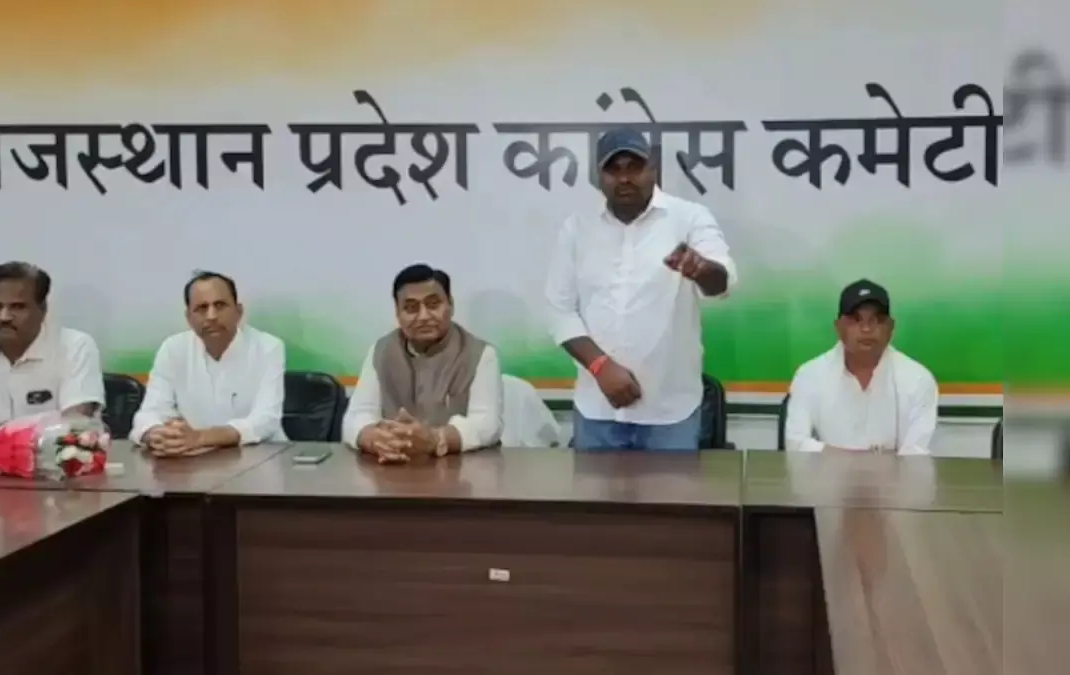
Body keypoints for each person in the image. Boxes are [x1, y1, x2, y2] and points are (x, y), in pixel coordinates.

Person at [544, 127, 737, 451]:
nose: (624, 178)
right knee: (593, 489)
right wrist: (600, 367)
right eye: (613, 169)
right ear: (599, 176)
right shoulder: (578, 228)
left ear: (653, 168)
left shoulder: (688, 218)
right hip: (597, 410)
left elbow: (723, 283)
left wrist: (701, 269)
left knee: (670, 489)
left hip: (670, 413)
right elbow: (559, 310)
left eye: (634, 167)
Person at [342, 264, 503, 463]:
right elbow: (357, 415)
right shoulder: (381, 350)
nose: (424, 316)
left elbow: (486, 424)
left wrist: (436, 439)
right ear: (397, 312)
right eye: (411, 308)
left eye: (433, 305)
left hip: (462, 469)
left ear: (450, 305)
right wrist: (373, 438)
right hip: (392, 467)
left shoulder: (481, 354)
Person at [130, 271, 285, 456]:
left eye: (220, 305)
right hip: (193, 461)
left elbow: (265, 421)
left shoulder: (267, 347)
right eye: (202, 308)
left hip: (260, 457)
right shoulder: (173, 349)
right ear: (189, 317)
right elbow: (149, 414)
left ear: (239, 311)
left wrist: (201, 437)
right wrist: (157, 434)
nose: (211, 316)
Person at [0, 262, 104, 429]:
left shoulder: (75, 347)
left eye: (17, 307)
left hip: (44, 447)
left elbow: (76, 424)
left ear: (43, 309)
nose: (4, 317)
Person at [785, 279, 938, 455]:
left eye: (877, 320)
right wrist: (853, 461)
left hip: (895, 475)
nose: (866, 329)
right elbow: (795, 443)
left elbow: (916, 455)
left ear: (891, 327)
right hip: (830, 473)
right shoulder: (809, 375)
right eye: (856, 319)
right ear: (838, 327)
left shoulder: (918, 379)